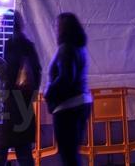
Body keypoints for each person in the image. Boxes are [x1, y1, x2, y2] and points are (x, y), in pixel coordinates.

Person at [0, 15, 42, 166]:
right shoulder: (27, 46)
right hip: (21, 105)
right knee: (24, 154)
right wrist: (30, 97)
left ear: (3, 24)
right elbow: (37, 73)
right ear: (19, 25)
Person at [45, 13, 91, 166]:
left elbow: (66, 78)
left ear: (64, 29)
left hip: (67, 107)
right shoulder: (80, 48)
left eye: (57, 26)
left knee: (68, 155)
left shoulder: (66, 49)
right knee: (72, 154)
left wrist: (49, 93)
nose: (55, 29)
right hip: (82, 102)